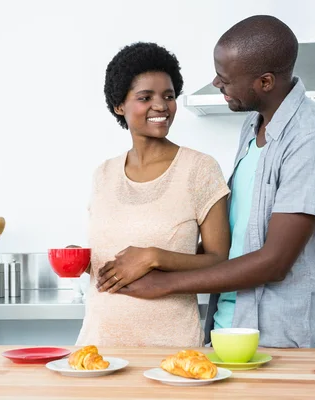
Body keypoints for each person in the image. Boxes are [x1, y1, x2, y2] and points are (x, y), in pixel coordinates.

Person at [117, 15, 315, 349]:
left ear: (265, 82)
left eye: (225, 77)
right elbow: (238, 236)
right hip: (228, 330)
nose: (216, 82)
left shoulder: (311, 140)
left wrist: (166, 284)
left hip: (280, 341)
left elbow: (275, 261)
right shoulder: (254, 125)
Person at [75, 42, 231, 347]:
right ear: (120, 105)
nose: (161, 106)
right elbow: (107, 261)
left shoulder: (199, 169)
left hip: (172, 350)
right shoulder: (103, 174)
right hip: (98, 347)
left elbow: (220, 261)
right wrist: (81, 259)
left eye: (168, 96)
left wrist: (153, 257)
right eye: (145, 97)